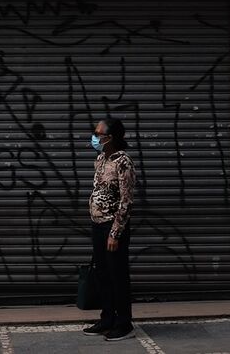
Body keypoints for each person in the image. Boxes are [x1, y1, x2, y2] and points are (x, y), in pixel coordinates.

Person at [82, 117, 137, 341]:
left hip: (113, 228)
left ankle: (124, 324)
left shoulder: (123, 162)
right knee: (102, 274)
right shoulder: (101, 159)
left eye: (98, 134)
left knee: (117, 276)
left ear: (110, 137)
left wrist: (115, 232)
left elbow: (126, 201)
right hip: (98, 225)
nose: (94, 137)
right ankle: (107, 319)